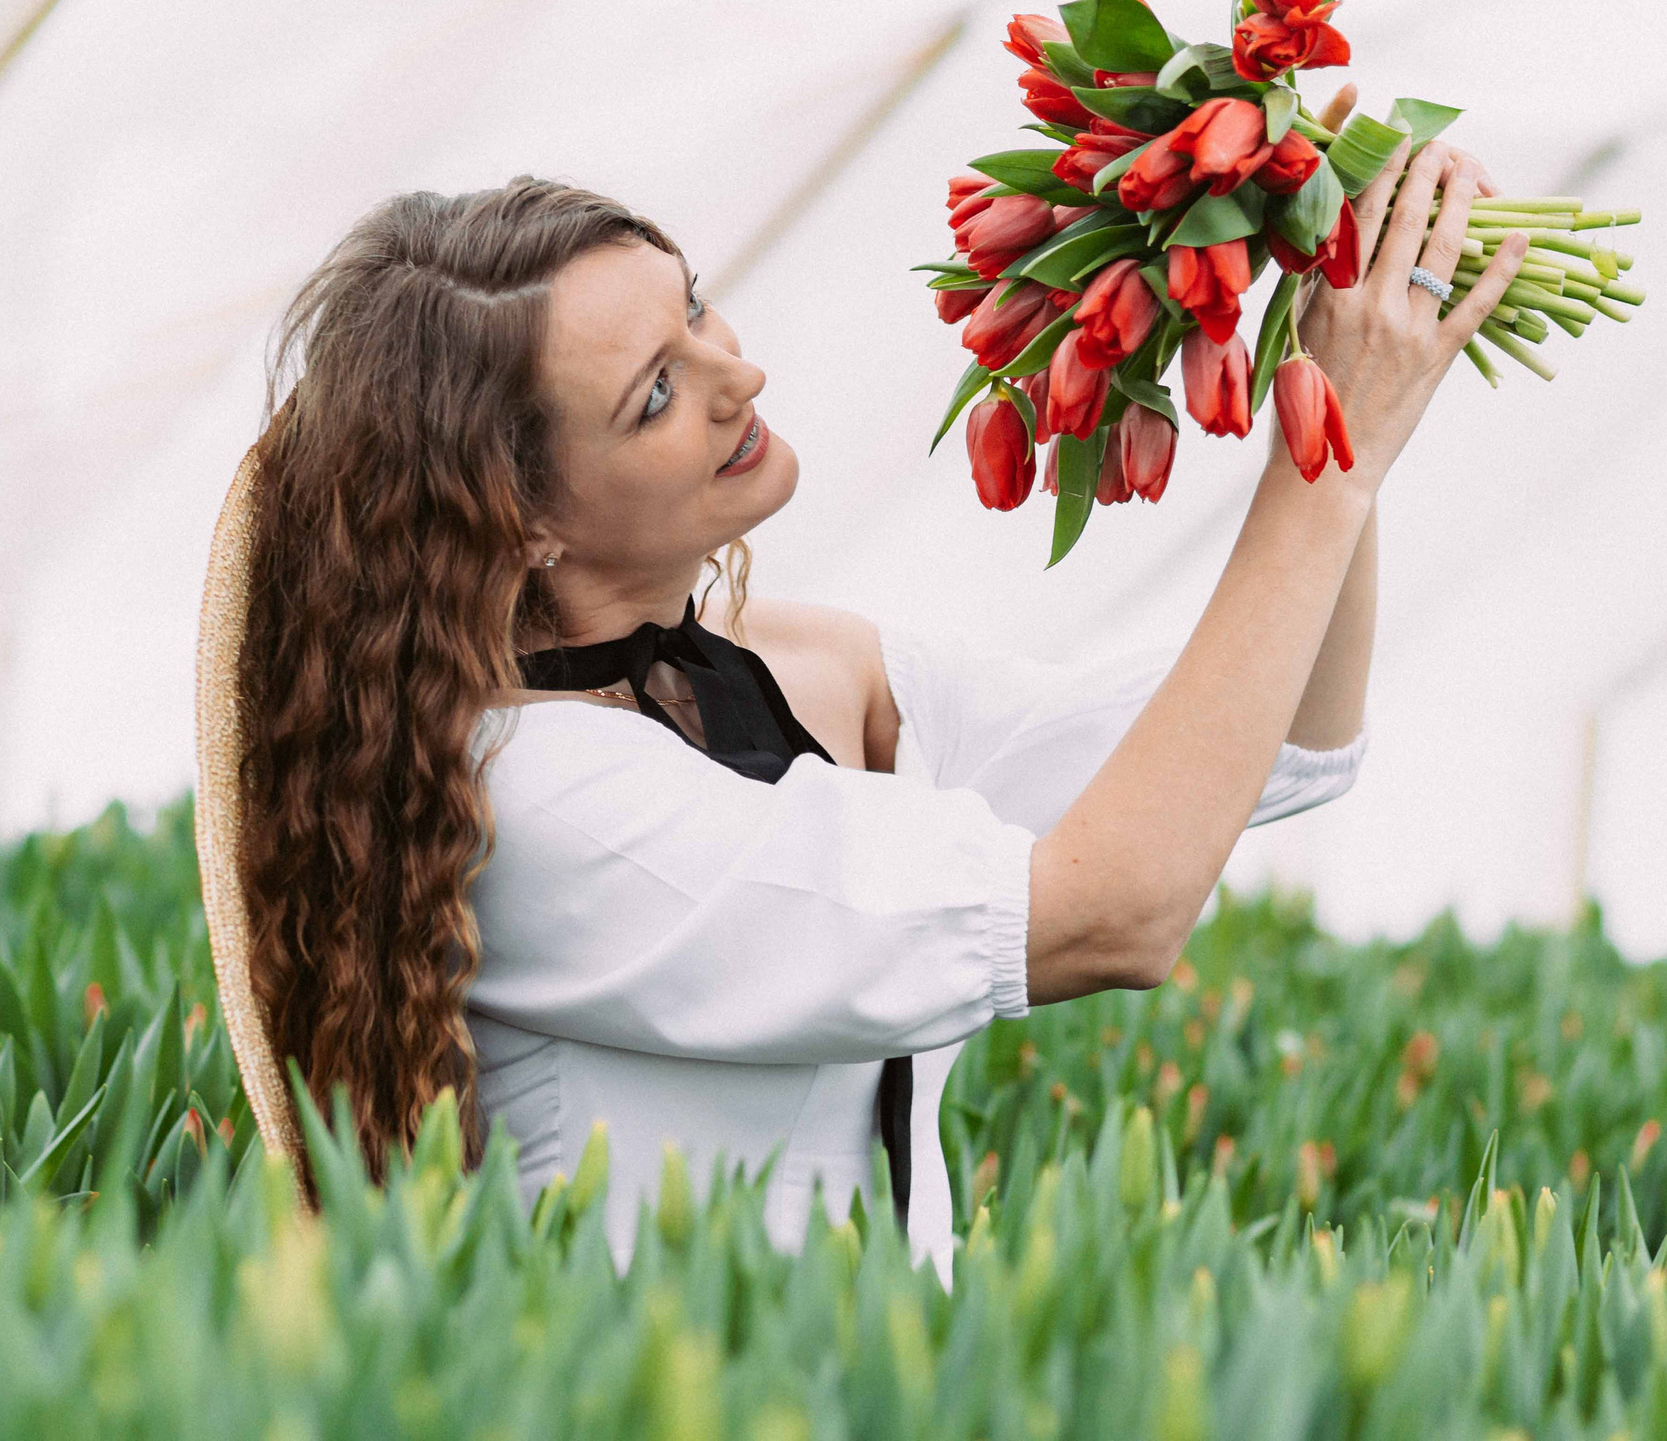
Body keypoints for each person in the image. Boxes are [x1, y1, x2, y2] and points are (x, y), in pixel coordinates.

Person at [207, 125, 1527, 1282]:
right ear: (525, 522)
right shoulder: (543, 803)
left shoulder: (797, 664)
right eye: (655, 394)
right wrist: (1334, 466)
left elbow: (1277, 737)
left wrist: (1317, 379)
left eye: (696, 309)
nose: (736, 377)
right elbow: (1114, 909)